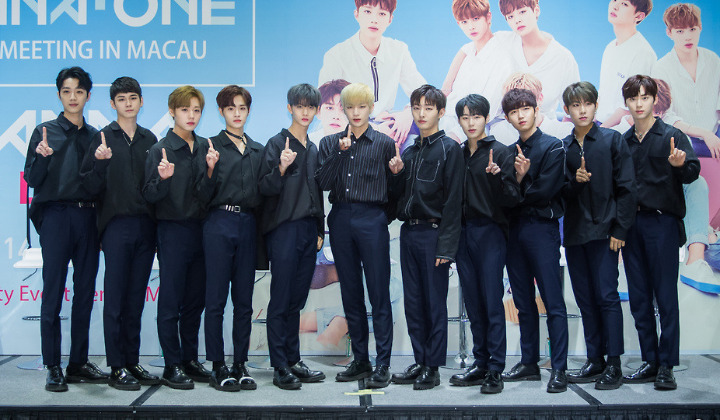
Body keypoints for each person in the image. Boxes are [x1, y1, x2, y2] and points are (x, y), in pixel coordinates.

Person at [24, 66, 107, 392]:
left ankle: (78, 363)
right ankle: (53, 366)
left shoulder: (96, 136)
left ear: (88, 95)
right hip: (57, 217)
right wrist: (43, 157)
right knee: (53, 293)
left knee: (85, 293)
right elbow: (32, 180)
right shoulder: (44, 132)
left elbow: (99, 187)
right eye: (67, 91)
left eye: (79, 91)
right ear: (59, 94)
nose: (73, 97)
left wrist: (102, 164)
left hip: (88, 218)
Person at [80, 76, 160, 391]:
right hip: (115, 226)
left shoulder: (150, 138)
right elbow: (88, 185)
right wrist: (100, 163)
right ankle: (116, 366)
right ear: (112, 104)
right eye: (122, 99)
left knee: (136, 299)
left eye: (133, 98)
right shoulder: (101, 138)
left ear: (141, 101)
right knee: (115, 298)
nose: (128, 104)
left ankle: (131, 361)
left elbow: (155, 186)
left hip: (145, 227)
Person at [316, 82, 398, 389]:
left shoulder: (384, 143)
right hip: (340, 218)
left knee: (379, 293)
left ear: (370, 108)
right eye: (350, 107)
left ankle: (383, 363)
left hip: (372, 218)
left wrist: (380, 218)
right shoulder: (329, 142)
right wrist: (340, 153)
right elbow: (322, 182)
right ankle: (361, 359)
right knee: (350, 292)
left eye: (362, 106)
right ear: (343, 110)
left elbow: (395, 191)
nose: (356, 112)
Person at [620, 75, 700, 391]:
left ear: (655, 100)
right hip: (631, 226)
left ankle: (667, 365)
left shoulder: (672, 136)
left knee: (665, 297)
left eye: (644, 97)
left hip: (662, 224)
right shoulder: (623, 142)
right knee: (639, 298)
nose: (639, 103)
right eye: (633, 98)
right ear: (626, 103)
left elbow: (692, 173)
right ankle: (650, 361)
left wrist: (679, 164)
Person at [560, 82, 636, 390]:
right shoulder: (563, 147)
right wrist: (575, 182)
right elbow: (559, 194)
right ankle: (595, 360)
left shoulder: (612, 139)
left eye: (587, 104)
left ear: (595, 105)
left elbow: (627, 188)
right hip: (575, 234)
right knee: (585, 300)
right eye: (575, 105)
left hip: (606, 233)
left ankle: (613, 363)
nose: (582, 110)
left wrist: (620, 229)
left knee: (607, 297)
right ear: (566, 110)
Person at [390, 84, 463, 390]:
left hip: (434, 235)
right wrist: (396, 175)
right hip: (409, 233)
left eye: (428, 108)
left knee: (434, 304)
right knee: (413, 303)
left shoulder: (450, 149)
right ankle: (420, 360)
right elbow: (398, 201)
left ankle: (432, 367)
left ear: (441, 112)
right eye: (416, 107)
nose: (421, 114)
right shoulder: (408, 152)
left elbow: (454, 202)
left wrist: (446, 248)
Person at [449, 94, 520, 394]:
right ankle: (480, 363)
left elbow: (513, 198)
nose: (471, 122)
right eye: (465, 117)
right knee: (473, 303)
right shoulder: (456, 154)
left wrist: (497, 177)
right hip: (463, 234)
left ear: (487, 118)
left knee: (492, 302)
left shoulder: (500, 152)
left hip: (490, 233)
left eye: (476, 116)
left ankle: (495, 369)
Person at [499, 88, 568, 393]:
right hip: (514, 232)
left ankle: (559, 368)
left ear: (536, 109)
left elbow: (545, 191)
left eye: (525, 108)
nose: (521, 115)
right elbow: (504, 197)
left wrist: (521, 182)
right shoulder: (508, 152)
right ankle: (529, 363)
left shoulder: (553, 147)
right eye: (514, 112)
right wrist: (517, 181)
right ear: (508, 118)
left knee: (552, 301)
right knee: (523, 301)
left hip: (542, 229)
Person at [195, 85, 264, 392]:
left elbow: (264, 194)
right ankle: (217, 365)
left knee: (244, 302)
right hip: (218, 223)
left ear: (248, 111)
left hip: (248, 224)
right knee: (216, 300)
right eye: (231, 108)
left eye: (242, 108)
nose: (237, 113)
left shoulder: (258, 149)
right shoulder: (210, 146)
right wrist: (210, 169)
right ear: (221, 111)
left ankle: (240, 363)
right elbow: (200, 195)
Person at [142, 86, 211, 390]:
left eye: (196, 110)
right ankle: (172, 364)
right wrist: (162, 179)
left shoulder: (207, 146)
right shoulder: (160, 149)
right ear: (172, 111)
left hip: (203, 231)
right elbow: (148, 195)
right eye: (185, 109)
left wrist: (211, 170)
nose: (191, 115)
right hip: (172, 231)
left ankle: (190, 359)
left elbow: (211, 193)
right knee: (170, 301)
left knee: (196, 300)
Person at [259, 83, 327, 390]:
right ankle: (279, 365)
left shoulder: (313, 148)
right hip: (284, 230)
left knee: (297, 300)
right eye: (299, 106)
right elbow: (264, 188)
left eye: (310, 107)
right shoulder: (276, 144)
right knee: (281, 299)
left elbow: (317, 193)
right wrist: (282, 167)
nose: (305, 112)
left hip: (308, 232)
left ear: (316, 110)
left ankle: (293, 359)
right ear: (290, 108)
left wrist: (320, 229)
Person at [652, 3, 720, 285]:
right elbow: (666, 114)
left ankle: (710, 235)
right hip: (680, 139)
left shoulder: (713, 60)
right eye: (680, 31)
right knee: (696, 182)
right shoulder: (661, 67)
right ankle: (703, 242)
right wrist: (703, 133)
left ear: (700, 28)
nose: (687, 36)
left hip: (713, 137)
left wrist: (712, 134)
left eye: (692, 29)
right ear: (669, 33)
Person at [318, 0, 426, 144]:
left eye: (382, 13)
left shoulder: (399, 50)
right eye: (367, 11)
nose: (374, 19)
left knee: (426, 136)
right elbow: (326, 108)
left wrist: (408, 113)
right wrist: (373, 129)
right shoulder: (337, 55)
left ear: (390, 19)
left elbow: (424, 92)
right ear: (357, 14)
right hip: (349, 129)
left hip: (388, 124)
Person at [439, 0, 514, 141]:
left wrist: (452, 138)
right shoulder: (467, 52)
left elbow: (486, 111)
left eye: (476, 19)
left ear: (488, 17)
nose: (471, 27)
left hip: (471, 129)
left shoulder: (502, 56)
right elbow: (445, 93)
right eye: (464, 22)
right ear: (458, 24)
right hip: (447, 120)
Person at [498, 0, 580, 117]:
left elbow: (573, 111)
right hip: (505, 124)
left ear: (536, 10)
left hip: (544, 125)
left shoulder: (563, 58)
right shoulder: (502, 42)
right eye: (510, 16)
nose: (517, 20)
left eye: (522, 12)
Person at [597, 0, 656, 127]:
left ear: (638, 16)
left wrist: (599, 133)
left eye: (624, 4)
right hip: (601, 124)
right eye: (614, 0)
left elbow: (631, 107)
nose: (615, 6)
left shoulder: (642, 53)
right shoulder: (610, 47)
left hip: (620, 130)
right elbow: (602, 96)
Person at [489, 72, 573, 146]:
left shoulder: (564, 131)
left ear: (540, 98)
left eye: (527, 103)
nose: (521, 114)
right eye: (512, 102)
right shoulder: (498, 131)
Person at [309, 79, 351, 146]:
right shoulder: (306, 144)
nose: (336, 116)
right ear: (318, 111)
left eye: (343, 110)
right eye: (330, 108)